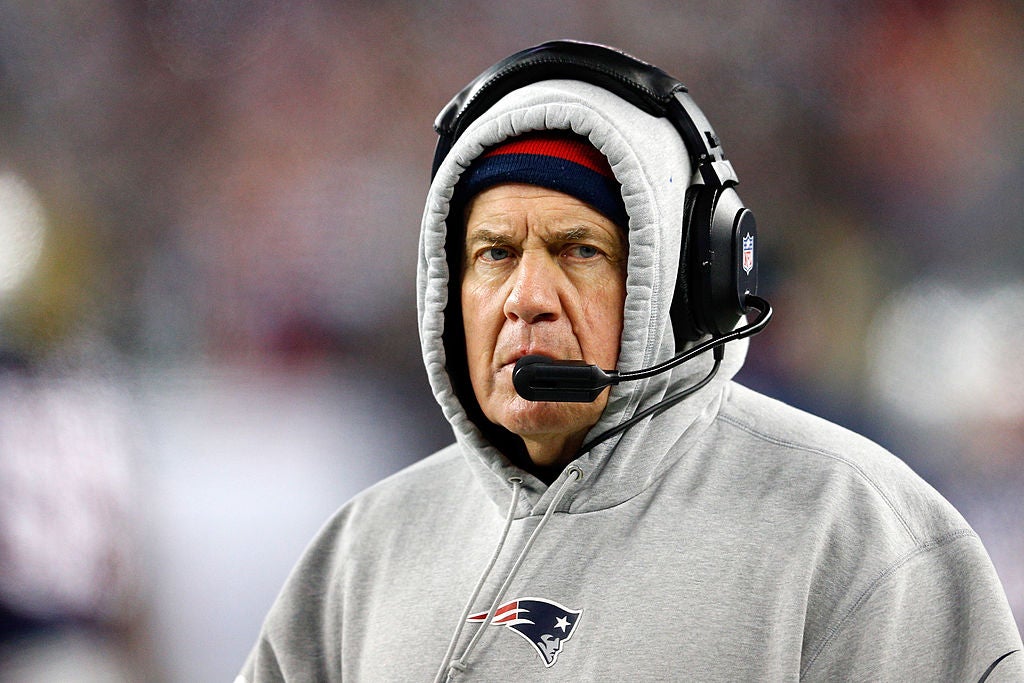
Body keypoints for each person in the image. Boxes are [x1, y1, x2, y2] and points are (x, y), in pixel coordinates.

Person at [237, 41, 1022, 681]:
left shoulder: (858, 536)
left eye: (579, 250)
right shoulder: (364, 553)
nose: (526, 298)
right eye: (494, 253)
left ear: (687, 280)